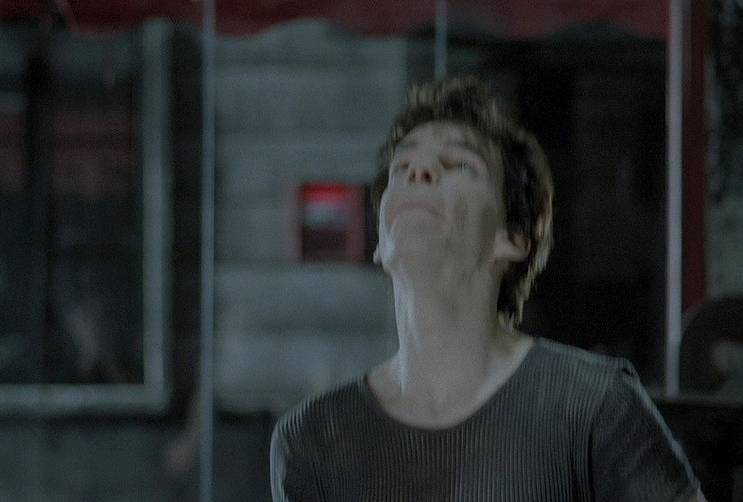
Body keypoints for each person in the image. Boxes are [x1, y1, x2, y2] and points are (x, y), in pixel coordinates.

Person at [269, 76, 704, 501]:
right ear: (382, 242)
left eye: (459, 164)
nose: (419, 171)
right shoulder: (312, 438)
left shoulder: (593, 406)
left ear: (512, 237)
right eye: (402, 167)